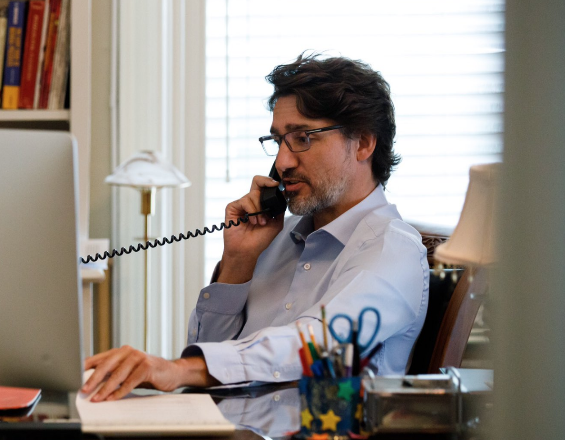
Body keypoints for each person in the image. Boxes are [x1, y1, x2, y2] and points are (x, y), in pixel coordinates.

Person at [82, 53, 429, 402]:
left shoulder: (392, 250)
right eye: (278, 141)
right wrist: (238, 261)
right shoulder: (274, 239)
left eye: (303, 138)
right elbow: (207, 359)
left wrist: (176, 369)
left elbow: (317, 344)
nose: (282, 162)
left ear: (364, 144)